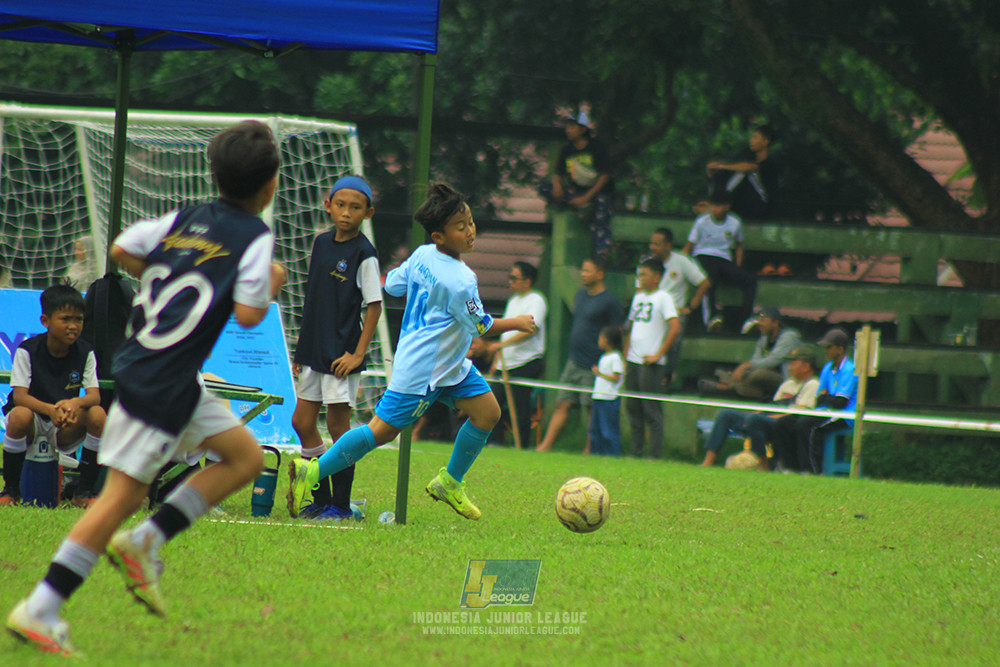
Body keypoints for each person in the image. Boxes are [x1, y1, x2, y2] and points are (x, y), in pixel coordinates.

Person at [6, 120, 287, 656]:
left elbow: (120, 248)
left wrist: (168, 266)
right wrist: (269, 279)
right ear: (270, 185)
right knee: (118, 499)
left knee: (245, 457)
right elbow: (251, 314)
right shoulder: (254, 238)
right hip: (161, 383)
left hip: (164, 374)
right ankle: (42, 606)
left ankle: (150, 538)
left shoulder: (187, 218)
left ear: (214, 172)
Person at [287, 183, 537, 522]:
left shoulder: (422, 255)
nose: (470, 231)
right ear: (439, 235)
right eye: (460, 227)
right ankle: (311, 473)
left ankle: (449, 482)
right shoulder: (462, 280)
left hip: (451, 367)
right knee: (380, 432)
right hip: (422, 372)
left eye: (471, 222)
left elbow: (392, 285)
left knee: (488, 413)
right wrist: (519, 322)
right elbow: (481, 326)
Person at [289, 175, 382, 521]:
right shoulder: (321, 243)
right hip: (313, 350)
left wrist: (357, 354)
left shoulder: (364, 254)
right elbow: (313, 301)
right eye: (340, 205)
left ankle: (341, 506)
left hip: (342, 355)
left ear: (367, 213)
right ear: (328, 205)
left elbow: (374, 306)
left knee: (339, 428)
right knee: (302, 421)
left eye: (355, 207)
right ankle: (320, 498)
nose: (346, 213)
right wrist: (301, 351)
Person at [1, 284, 106, 507]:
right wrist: (50, 409)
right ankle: (11, 489)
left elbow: (94, 396)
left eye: (79, 319)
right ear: (45, 321)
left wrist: (75, 403)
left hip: (65, 422)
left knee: (97, 414)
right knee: (19, 415)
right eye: (65, 319)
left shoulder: (86, 351)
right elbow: (20, 396)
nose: (73, 326)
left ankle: (84, 490)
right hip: (34, 419)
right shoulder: (27, 350)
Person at [537, 257, 623, 453]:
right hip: (573, 360)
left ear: (600, 274)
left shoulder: (609, 301)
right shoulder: (580, 296)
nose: (583, 274)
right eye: (582, 271)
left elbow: (617, 331)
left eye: (587, 271)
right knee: (562, 403)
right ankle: (545, 446)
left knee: (589, 408)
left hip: (593, 363)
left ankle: (589, 449)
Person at [699, 345, 820, 468]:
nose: (789, 367)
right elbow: (774, 405)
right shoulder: (787, 383)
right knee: (726, 414)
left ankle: (763, 463)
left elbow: (797, 415)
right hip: (766, 418)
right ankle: (708, 461)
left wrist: (762, 417)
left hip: (784, 425)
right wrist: (759, 412)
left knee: (755, 420)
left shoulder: (813, 385)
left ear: (806, 366)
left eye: (794, 363)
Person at [770, 328, 858, 474]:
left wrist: (826, 397)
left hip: (844, 415)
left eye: (828, 347)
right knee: (784, 423)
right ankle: (790, 467)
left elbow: (840, 403)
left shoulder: (849, 369)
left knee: (807, 425)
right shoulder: (827, 368)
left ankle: (812, 470)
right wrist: (827, 398)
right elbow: (820, 399)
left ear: (840, 349)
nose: (825, 350)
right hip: (825, 411)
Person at [537, 110, 615, 258]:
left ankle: (601, 250)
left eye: (572, 127)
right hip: (576, 192)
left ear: (583, 129)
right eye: (567, 127)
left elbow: (605, 175)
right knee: (544, 187)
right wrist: (558, 185)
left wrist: (586, 198)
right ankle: (576, 206)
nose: (568, 130)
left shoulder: (596, 147)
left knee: (602, 213)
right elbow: (558, 173)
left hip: (596, 193)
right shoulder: (567, 150)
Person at [486, 261, 547, 447]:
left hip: (525, 362)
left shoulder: (537, 300)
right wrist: (496, 359)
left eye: (514, 278)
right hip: (506, 362)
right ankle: (495, 442)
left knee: (520, 409)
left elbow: (531, 329)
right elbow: (506, 331)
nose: (510, 282)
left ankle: (521, 446)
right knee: (491, 403)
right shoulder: (513, 301)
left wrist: (501, 344)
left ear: (527, 281)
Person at [624, 259, 680, 459]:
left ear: (656, 277)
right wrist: (625, 358)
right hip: (633, 360)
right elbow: (630, 329)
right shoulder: (638, 298)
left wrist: (659, 354)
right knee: (633, 407)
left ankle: (654, 455)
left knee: (651, 409)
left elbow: (674, 327)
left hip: (651, 362)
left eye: (644, 274)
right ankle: (635, 452)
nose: (640, 279)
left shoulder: (663, 297)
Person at [682, 190, 757, 334]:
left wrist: (737, 266)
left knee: (750, 281)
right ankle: (712, 318)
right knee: (709, 277)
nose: (714, 210)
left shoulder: (735, 222)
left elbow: (739, 245)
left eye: (718, 206)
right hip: (703, 256)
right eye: (713, 206)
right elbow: (690, 245)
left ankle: (747, 320)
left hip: (724, 259)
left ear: (726, 206)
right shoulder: (702, 222)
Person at [646, 227, 711, 383]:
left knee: (672, 346)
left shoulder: (681, 260)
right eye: (652, 244)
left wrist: (691, 306)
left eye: (657, 244)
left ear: (668, 245)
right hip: (652, 312)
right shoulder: (646, 263)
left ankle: (666, 378)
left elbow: (704, 283)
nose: (652, 248)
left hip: (674, 313)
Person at [697, 306, 801, 400]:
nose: (760, 323)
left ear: (775, 323)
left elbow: (773, 361)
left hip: (783, 379)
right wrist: (741, 371)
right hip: (759, 378)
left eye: (764, 320)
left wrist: (745, 367)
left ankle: (727, 387)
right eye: (759, 320)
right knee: (721, 372)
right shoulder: (764, 337)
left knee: (757, 374)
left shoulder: (789, 336)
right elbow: (756, 359)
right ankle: (736, 386)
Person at [705, 124, 778, 222]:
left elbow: (748, 167)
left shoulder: (770, 163)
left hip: (763, 210)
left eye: (755, 137)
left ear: (765, 142)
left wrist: (720, 166)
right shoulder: (748, 158)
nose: (751, 141)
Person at [589, 325, 623, 457]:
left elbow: (616, 377)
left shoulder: (615, 357)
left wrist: (600, 373)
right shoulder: (604, 356)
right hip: (599, 396)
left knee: (608, 430)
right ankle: (596, 453)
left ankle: (612, 454)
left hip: (609, 398)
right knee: (595, 429)